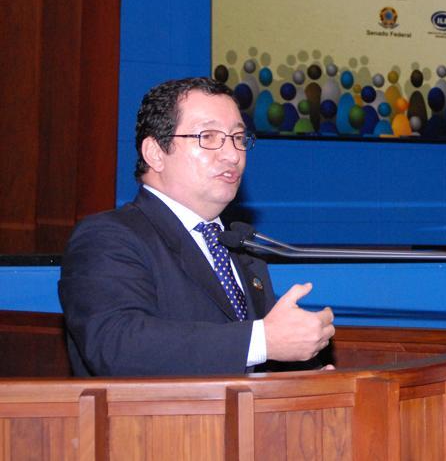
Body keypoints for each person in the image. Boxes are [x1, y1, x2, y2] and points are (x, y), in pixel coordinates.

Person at [59, 77, 335, 376]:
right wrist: (260, 341)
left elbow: (260, 359)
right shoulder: (109, 237)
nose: (232, 155)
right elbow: (116, 345)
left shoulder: (240, 246)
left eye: (238, 138)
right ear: (155, 153)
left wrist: (303, 380)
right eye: (209, 136)